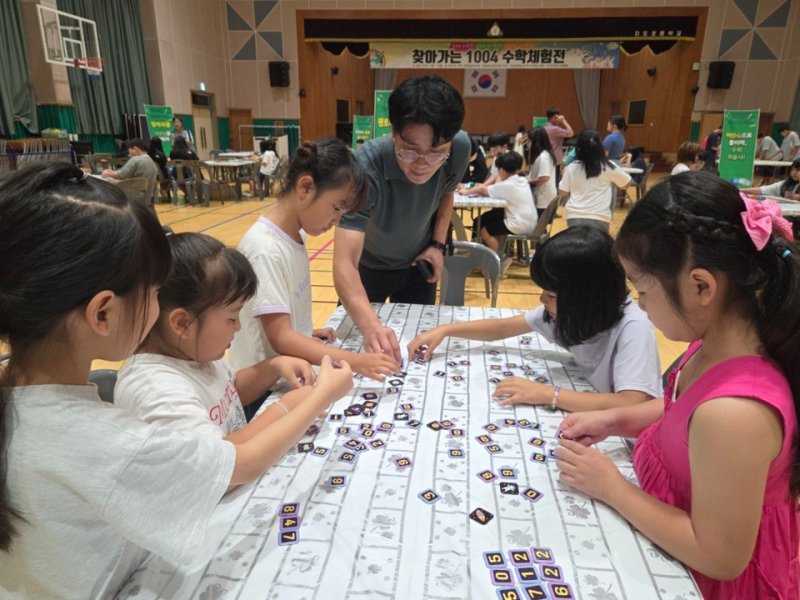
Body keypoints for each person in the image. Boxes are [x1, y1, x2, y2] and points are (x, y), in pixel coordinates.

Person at [0, 163, 353, 598]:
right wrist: (318, 397)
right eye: (152, 291)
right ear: (103, 313)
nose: (157, 304)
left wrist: (274, 372)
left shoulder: (25, 397)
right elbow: (236, 464)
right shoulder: (106, 440)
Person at [556, 170, 800, 599]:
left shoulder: (736, 413)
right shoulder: (714, 343)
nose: (639, 306)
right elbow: (679, 413)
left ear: (701, 286)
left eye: (644, 292)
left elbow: (720, 556)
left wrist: (611, 486)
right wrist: (614, 419)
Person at [407, 226, 661, 411]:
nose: (542, 301)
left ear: (586, 298)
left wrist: (547, 394)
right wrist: (447, 330)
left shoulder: (633, 328)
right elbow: (502, 327)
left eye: (550, 294)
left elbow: (632, 403)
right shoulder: (567, 314)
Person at [115, 232, 326, 440]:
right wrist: (286, 408)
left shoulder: (193, 352)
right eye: (232, 318)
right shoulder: (157, 392)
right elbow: (221, 459)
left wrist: (275, 366)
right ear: (182, 323)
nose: (238, 327)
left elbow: (230, 389)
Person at [230, 138, 399, 381]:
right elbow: (280, 338)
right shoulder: (264, 248)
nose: (337, 221)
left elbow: (280, 325)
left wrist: (304, 332)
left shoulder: (294, 235)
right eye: (336, 208)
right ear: (306, 188)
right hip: (262, 389)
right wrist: (356, 361)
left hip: (288, 373)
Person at [333, 74, 471, 363]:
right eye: (409, 151)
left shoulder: (458, 147)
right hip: (366, 270)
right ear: (393, 133)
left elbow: (446, 194)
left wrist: (437, 244)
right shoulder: (366, 165)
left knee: (417, 353)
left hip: (416, 268)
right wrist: (371, 327)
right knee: (357, 352)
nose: (421, 165)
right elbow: (344, 261)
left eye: (436, 154)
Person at [463, 151, 537, 256]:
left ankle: (497, 259)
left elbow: (482, 189)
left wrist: (465, 192)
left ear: (501, 169)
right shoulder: (521, 180)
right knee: (482, 220)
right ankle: (479, 254)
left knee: (485, 230)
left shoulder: (507, 185)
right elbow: (494, 189)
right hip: (530, 221)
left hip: (519, 223)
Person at [558, 128, 631, 232]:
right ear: (600, 147)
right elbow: (626, 184)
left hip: (575, 216)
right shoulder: (608, 166)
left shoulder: (571, 167)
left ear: (578, 147)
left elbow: (562, 192)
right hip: (599, 217)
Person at [526, 126, 557, 217]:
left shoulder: (543, 157)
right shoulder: (541, 155)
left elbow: (544, 177)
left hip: (544, 198)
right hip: (542, 196)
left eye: (529, 141)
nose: (527, 144)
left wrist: (529, 182)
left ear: (535, 142)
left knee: (540, 227)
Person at [544, 107, 575, 183]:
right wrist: (564, 121)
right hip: (555, 159)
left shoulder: (544, 127)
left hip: (546, 157)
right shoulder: (555, 129)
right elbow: (571, 133)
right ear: (555, 117)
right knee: (555, 182)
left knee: (547, 181)